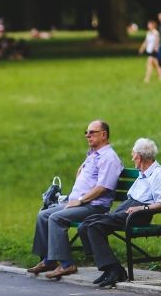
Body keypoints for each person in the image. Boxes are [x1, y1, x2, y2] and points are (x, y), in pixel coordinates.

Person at [28, 120, 123, 280]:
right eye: (86, 132)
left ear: (104, 134)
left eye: (92, 132)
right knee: (43, 215)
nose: (88, 135)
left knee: (56, 218)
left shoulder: (109, 158)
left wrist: (80, 200)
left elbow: (103, 188)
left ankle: (67, 264)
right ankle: (49, 260)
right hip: (79, 202)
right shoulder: (93, 155)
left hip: (94, 206)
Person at [78, 138, 161, 289]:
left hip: (138, 214)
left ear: (139, 157)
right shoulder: (143, 172)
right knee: (86, 224)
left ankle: (114, 270)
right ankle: (109, 268)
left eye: (133, 155)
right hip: (129, 208)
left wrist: (142, 208)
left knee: (95, 226)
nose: (132, 158)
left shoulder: (157, 174)